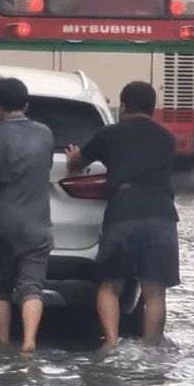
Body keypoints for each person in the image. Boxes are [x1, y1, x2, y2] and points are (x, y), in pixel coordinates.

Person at [65, 79, 179, 349]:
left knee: (110, 285)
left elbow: (78, 164)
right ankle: (151, 348)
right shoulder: (168, 138)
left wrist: (72, 157)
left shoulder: (110, 133)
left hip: (124, 211)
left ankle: (111, 345)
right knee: (155, 292)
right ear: (153, 108)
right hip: (162, 215)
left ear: (123, 106)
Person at [0, 77, 54, 354]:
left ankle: (2, 342)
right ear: (26, 104)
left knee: (0, 286)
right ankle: (29, 343)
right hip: (38, 224)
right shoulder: (46, 133)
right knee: (32, 286)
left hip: (4, 223)